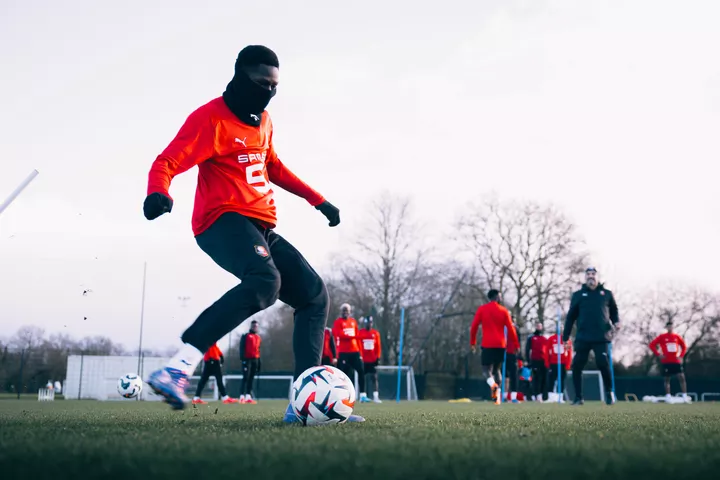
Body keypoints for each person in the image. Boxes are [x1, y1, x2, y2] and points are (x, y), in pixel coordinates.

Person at [142, 45, 364, 423]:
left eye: (275, 86)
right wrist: (157, 192)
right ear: (241, 77)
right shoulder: (209, 119)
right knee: (266, 280)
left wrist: (319, 201)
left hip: (260, 225)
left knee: (314, 296)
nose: (269, 91)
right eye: (262, 83)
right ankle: (178, 368)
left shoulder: (264, 121)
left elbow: (272, 164)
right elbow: (167, 161)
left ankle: (301, 405)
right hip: (220, 220)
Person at [563, 267, 619, 406]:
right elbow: (570, 318)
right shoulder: (578, 295)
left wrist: (616, 322)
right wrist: (565, 337)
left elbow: (614, 311)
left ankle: (609, 393)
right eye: (588, 274)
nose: (591, 277)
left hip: (602, 337)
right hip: (583, 337)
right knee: (576, 366)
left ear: (597, 277)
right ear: (585, 277)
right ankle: (578, 397)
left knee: (603, 363)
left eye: (593, 274)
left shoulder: (606, 294)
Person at [470, 289, 519, 405]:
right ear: (497, 297)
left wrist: (473, 342)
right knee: (497, 369)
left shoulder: (482, 309)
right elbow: (511, 329)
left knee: (486, 369)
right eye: (500, 296)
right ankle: (497, 396)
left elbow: (474, 326)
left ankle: (493, 386)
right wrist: (516, 344)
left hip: (487, 344)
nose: (501, 298)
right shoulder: (504, 311)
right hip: (501, 345)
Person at [332, 304, 368, 403]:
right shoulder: (338, 322)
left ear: (350, 311)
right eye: (344, 310)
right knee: (344, 374)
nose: (345, 312)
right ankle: (342, 396)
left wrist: (360, 352)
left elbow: (358, 336)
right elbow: (340, 335)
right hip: (343, 352)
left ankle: (363, 395)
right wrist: (353, 337)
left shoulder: (353, 322)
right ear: (341, 311)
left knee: (361, 370)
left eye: (347, 310)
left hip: (355, 351)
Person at [649, 321, 691, 403]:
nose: (670, 328)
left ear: (673, 327)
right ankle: (668, 396)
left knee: (681, 377)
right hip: (666, 361)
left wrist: (681, 356)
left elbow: (684, 347)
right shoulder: (662, 337)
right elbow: (652, 345)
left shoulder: (677, 337)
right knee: (667, 379)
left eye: (671, 327)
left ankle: (684, 395)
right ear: (666, 328)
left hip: (675, 361)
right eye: (668, 327)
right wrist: (658, 354)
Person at [358, 316, 383, 404]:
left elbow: (378, 346)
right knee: (362, 378)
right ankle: (362, 396)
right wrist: (359, 356)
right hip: (363, 359)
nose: (369, 324)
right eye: (367, 322)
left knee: (374, 378)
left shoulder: (375, 333)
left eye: (370, 322)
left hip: (372, 359)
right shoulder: (360, 333)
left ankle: (376, 396)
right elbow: (358, 345)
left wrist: (378, 357)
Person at [546, 327, 572, 403]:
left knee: (561, 380)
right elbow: (547, 351)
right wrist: (547, 363)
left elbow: (569, 352)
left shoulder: (566, 340)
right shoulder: (551, 339)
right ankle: (550, 397)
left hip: (562, 363)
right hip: (553, 363)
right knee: (551, 380)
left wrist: (568, 364)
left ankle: (560, 397)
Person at [525, 322, 549, 402]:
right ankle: (536, 395)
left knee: (543, 379)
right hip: (535, 361)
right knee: (536, 378)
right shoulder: (531, 338)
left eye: (540, 326)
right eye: (537, 326)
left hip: (543, 362)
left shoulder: (544, 338)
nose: (539, 327)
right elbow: (527, 349)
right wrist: (528, 361)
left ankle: (542, 395)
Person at [239, 320, 262, 404]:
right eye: (253, 326)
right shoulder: (246, 336)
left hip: (255, 360)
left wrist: (259, 363)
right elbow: (242, 348)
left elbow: (258, 350)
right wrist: (243, 360)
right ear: (251, 326)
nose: (255, 327)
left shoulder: (258, 337)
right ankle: (242, 396)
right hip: (247, 359)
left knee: (251, 378)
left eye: (256, 326)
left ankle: (248, 396)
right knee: (245, 377)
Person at [504, 318, 522, 403]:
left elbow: (518, 342)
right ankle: (502, 396)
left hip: (512, 354)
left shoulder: (516, 329)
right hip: (503, 353)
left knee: (513, 375)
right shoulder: (502, 327)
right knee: (503, 376)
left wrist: (518, 355)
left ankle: (513, 397)